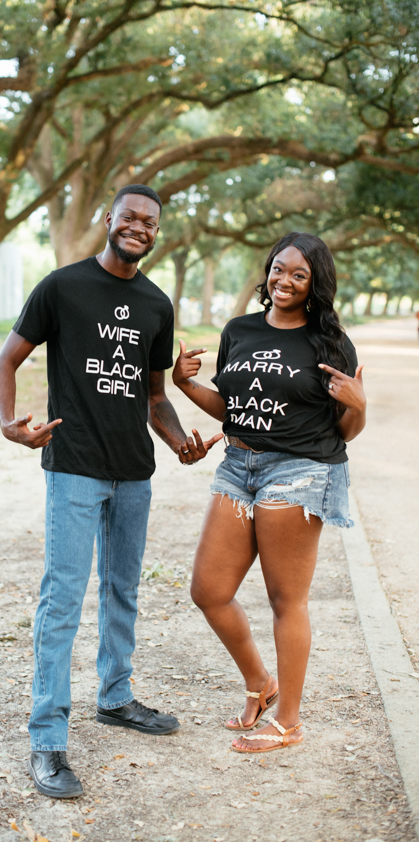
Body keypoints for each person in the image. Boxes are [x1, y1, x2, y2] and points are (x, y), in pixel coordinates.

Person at [0, 183, 222, 798]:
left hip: (134, 474)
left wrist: (179, 443)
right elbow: (5, 362)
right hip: (74, 468)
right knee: (62, 600)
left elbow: (153, 396)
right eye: (130, 217)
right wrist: (9, 423)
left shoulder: (155, 303)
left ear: (155, 233)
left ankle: (115, 698)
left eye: (150, 221)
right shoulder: (61, 287)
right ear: (109, 219)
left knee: (123, 591)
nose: (139, 227)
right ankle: (47, 740)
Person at [172, 231, 366, 753]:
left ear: (313, 284)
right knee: (209, 590)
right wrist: (186, 386)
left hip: (300, 471)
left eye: (298, 275)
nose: (284, 280)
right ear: (268, 270)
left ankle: (289, 723)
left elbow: (344, 431)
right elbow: (234, 409)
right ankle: (261, 684)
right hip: (239, 466)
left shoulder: (330, 343)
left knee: (286, 599)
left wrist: (358, 404)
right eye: (279, 269)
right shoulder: (239, 331)